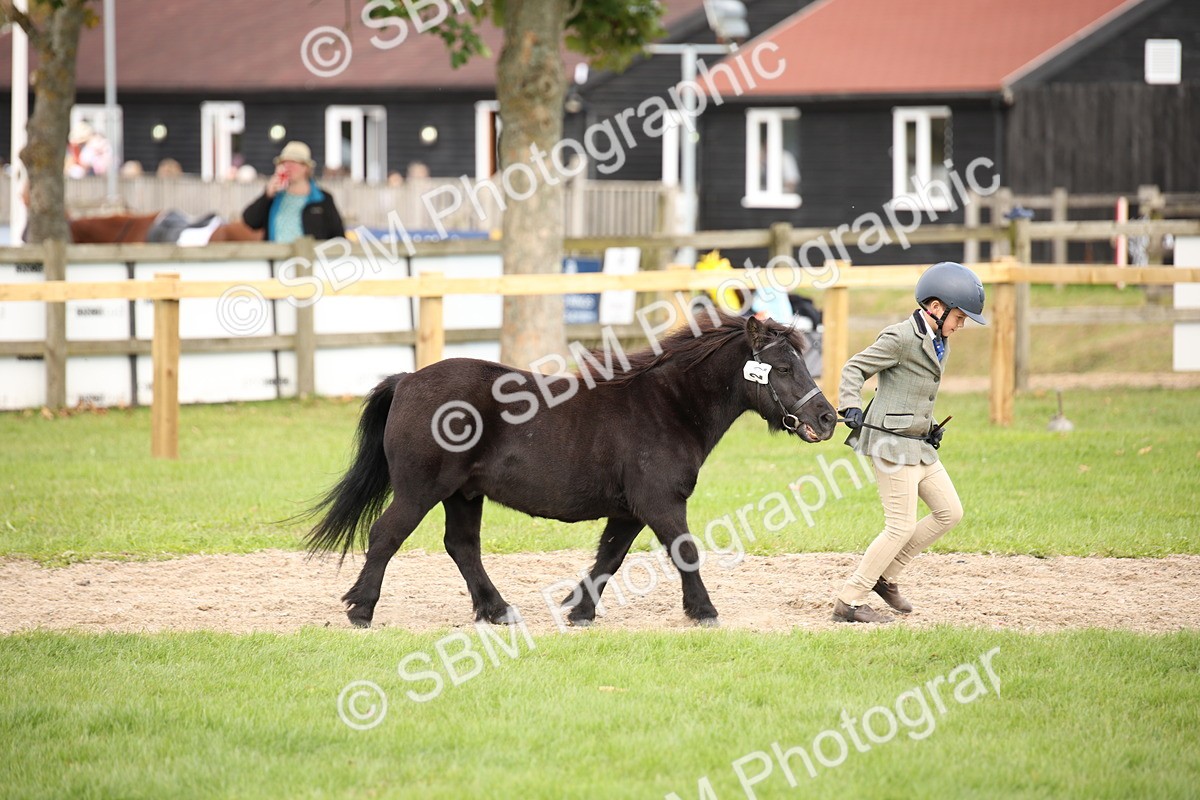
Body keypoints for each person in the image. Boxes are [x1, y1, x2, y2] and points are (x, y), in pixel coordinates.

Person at [831, 261, 986, 624]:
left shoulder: (939, 340)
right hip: (890, 444)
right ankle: (849, 600)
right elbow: (854, 368)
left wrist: (930, 425)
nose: (960, 326)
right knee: (899, 526)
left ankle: (887, 577)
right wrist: (850, 404)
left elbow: (914, 393)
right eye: (959, 318)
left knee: (950, 511)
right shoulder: (900, 337)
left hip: (918, 443)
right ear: (935, 308)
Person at [242, 141, 345, 242]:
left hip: (310, 258)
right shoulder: (274, 197)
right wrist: (267, 194)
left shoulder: (323, 199)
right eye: (284, 163)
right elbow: (250, 221)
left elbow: (338, 236)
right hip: (277, 257)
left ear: (306, 167)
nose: (288, 167)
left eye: (293, 163)